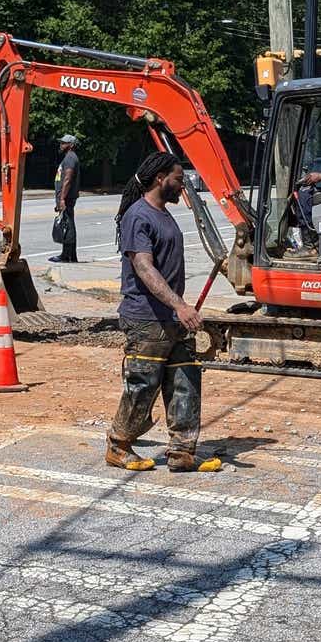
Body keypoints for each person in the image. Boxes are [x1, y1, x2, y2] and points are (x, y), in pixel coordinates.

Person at [107, 151, 221, 473]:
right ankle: (118, 446)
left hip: (172, 318)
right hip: (147, 319)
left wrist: (178, 309)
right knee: (143, 385)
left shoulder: (162, 214)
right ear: (160, 178)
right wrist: (179, 305)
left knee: (185, 379)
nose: (181, 187)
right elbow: (143, 267)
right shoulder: (138, 216)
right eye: (178, 180)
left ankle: (182, 452)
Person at [49, 134, 81, 263]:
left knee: (68, 226)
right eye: (61, 142)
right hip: (66, 197)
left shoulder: (70, 158)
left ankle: (67, 256)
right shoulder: (69, 157)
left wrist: (62, 199)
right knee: (67, 224)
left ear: (71, 145)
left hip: (67, 198)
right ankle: (70, 255)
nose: (61, 145)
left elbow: (67, 179)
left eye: (64, 143)